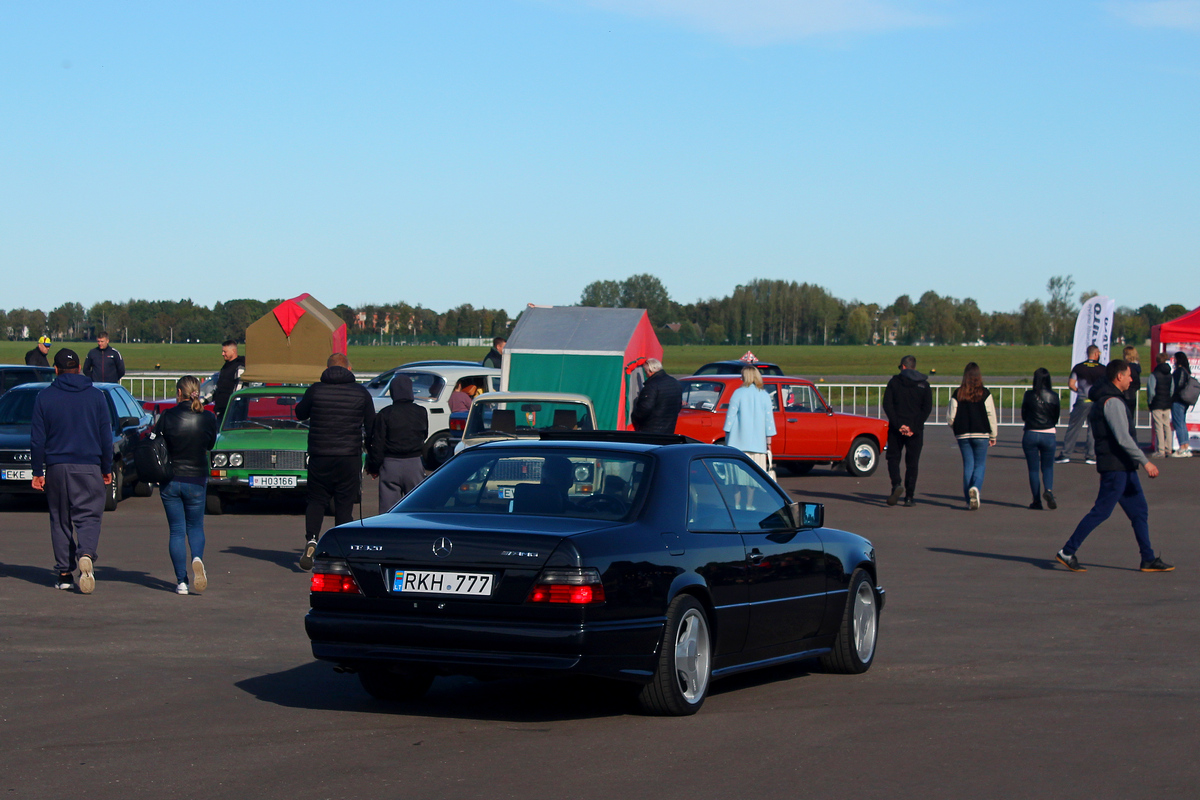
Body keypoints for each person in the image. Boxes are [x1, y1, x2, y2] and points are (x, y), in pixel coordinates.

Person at [1055, 359, 1173, 573]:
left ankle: (1147, 558)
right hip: (1116, 467)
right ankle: (1067, 551)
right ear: (1119, 377)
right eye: (1129, 375)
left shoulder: (1107, 399)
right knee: (1101, 511)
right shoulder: (1112, 402)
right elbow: (1123, 439)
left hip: (1123, 467)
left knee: (1139, 511)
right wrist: (1146, 462)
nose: (1131, 379)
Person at [29, 349, 112, 593]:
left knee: (60, 519)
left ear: (55, 370)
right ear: (79, 369)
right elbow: (105, 437)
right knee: (89, 516)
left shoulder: (44, 397)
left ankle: (65, 573)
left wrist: (37, 471)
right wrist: (106, 467)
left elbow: (37, 439)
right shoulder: (96, 397)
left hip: (57, 467)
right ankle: (85, 552)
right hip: (89, 465)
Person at [295, 353, 376, 571]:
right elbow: (371, 426)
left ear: (327, 367)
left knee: (316, 500)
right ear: (348, 368)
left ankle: (312, 539)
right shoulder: (360, 392)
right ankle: (341, 550)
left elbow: (299, 414)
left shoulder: (315, 390)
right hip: (348, 456)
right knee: (344, 503)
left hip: (320, 455)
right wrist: (372, 459)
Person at [155, 375, 218, 595]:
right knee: (196, 526)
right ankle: (198, 558)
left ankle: (181, 581)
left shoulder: (167, 416)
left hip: (171, 479)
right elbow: (210, 444)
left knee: (176, 531)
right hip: (197, 478)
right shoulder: (208, 418)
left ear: (179, 393)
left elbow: (157, 442)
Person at [367, 375, 428, 511]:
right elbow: (424, 435)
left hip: (391, 464)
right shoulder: (420, 412)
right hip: (414, 462)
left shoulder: (385, 414)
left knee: (388, 510)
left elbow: (378, 443)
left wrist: (374, 467)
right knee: (416, 507)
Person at [881, 355, 933, 507]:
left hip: (896, 428)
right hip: (915, 430)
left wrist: (898, 425)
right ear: (914, 367)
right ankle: (909, 496)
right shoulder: (924, 385)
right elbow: (926, 409)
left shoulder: (894, 382)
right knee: (912, 463)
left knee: (893, 458)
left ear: (903, 367)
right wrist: (914, 427)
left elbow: (887, 405)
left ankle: (896, 484)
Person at [723, 365, 776, 509]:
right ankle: (749, 504)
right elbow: (769, 420)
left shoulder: (738, 393)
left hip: (737, 443)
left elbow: (730, 418)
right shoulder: (764, 395)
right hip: (758, 445)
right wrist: (769, 441)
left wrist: (727, 434)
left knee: (737, 479)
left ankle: (737, 504)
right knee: (752, 480)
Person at [947, 362, 998, 510]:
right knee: (980, 464)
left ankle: (968, 500)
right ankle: (975, 487)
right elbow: (991, 415)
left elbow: (951, 417)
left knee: (968, 465)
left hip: (963, 434)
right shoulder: (985, 393)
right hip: (981, 433)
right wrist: (993, 434)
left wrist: (955, 427)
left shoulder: (958, 393)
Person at [1056, 345, 1104, 464]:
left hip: (1082, 399)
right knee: (1093, 429)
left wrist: (1079, 391)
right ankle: (1090, 456)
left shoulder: (1079, 367)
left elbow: (1071, 384)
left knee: (1073, 427)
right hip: (1096, 401)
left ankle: (1066, 454)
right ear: (1096, 354)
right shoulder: (1103, 369)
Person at [1020, 368, 1060, 510]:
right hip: (1048, 433)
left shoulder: (1029, 395)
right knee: (1048, 467)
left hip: (1030, 433)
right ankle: (1048, 490)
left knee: (1033, 469)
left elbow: (1024, 415)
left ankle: (1036, 501)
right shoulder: (1054, 396)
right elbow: (1056, 417)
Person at [631, 358, 683, 434]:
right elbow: (678, 405)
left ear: (651, 371)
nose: (646, 375)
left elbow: (645, 408)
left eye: (646, 372)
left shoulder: (652, 385)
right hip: (670, 426)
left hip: (651, 428)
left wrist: (635, 416)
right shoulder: (675, 382)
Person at [1147, 355, 1174, 457]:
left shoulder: (1154, 375)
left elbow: (1151, 392)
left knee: (1159, 427)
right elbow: (1171, 390)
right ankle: (1169, 448)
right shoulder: (1170, 375)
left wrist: (1150, 402)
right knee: (1167, 426)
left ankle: (1161, 450)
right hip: (1167, 403)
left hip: (1157, 403)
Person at [212, 340, 246, 419]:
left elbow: (238, 391)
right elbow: (218, 388)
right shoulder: (225, 367)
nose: (222, 354)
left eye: (225, 351)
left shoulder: (240, 367)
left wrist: (232, 407)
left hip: (233, 413)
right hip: (222, 411)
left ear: (233, 351)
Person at [1169, 351, 1193, 458]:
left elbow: (1176, 386)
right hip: (1185, 400)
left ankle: (1182, 448)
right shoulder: (1187, 371)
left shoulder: (1179, 371)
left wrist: (1172, 395)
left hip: (1178, 400)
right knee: (1182, 423)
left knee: (1178, 423)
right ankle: (1185, 446)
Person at [1122, 345, 1141, 440]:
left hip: (1126, 394)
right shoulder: (1137, 367)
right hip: (1132, 395)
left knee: (1124, 419)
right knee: (1130, 418)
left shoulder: (1128, 368)